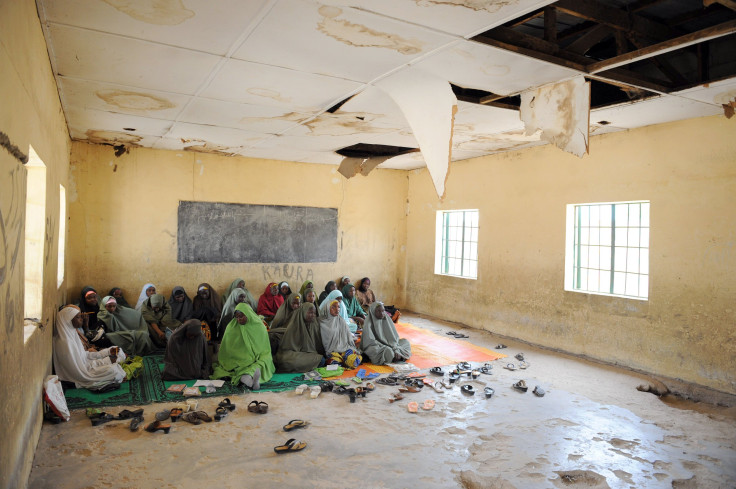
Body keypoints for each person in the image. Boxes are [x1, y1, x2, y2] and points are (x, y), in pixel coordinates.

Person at [53, 305, 127, 388]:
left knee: (117, 351)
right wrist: (107, 360)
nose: (81, 319)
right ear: (68, 320)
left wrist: (107, 353)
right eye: (78, 317)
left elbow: (84, 356)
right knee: (114, 370)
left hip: (88, 366)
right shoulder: (65, 343)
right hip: (83, 374)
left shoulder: (71, 334)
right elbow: (80, 371)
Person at [211, 303, 275, 389]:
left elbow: (264, 350)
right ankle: (247, 377)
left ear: (248, 314)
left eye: (241, 317)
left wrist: (253, 357)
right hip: (239, 359)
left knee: (264, 361)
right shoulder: (232, 327)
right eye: (236, 317)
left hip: (258, 356)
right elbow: (227, 350)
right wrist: (243, 357)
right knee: (227, 368)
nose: (238, 319)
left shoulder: (259, 326)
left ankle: (248, 377)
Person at [273, 303, 325, 373]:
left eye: (314, 313)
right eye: (310, 313)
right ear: (303, 312)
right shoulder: (294, 326)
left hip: (308, 354)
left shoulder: (313, 325)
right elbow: (287, 348)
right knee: (285, 361)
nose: (313, 315)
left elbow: (317, 345)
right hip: (293, 354)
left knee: (321, 359)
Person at [319, 300, 362, 369]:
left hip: (344, 348)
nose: (337, 309)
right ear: (327, 308)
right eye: (333, 307)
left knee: (353, 362)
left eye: (338, 307)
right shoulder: (321, 322)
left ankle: (345, 361)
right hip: (332, 351)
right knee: (333, 363)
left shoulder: (341, 320)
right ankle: (342, 362)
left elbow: (348, 337)